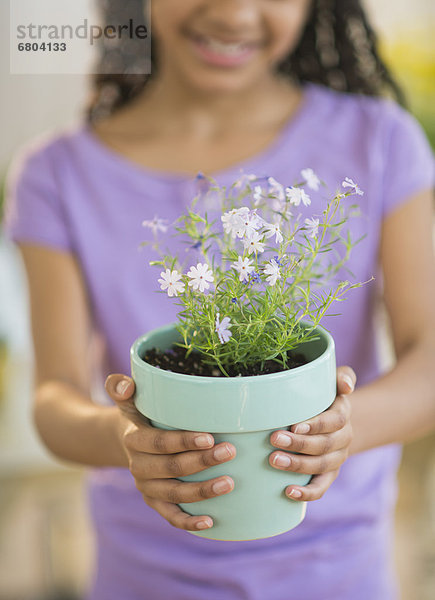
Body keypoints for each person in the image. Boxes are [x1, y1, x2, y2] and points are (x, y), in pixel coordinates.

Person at [4, 0, 435, 598]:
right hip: (145, 572)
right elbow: (53, 400)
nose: (234, 13)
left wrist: (340, 430)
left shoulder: (380, 140)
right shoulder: (57, 173)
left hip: (335, 567)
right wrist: (129, 440)